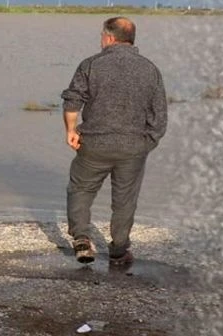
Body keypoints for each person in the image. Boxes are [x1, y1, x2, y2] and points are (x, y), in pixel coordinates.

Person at [61, 17, 167, 265]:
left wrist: (71, 131)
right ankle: (119, 249)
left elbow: (72, 101)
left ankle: (81, 239)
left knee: (81, 189)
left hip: (94, 143)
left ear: (109, 38)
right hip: (133, 146)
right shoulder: (150, 69)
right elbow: (159, 115)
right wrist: (148, 142)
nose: (101, 40)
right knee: (125, 199)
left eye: (101, 36)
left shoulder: (91, 64)